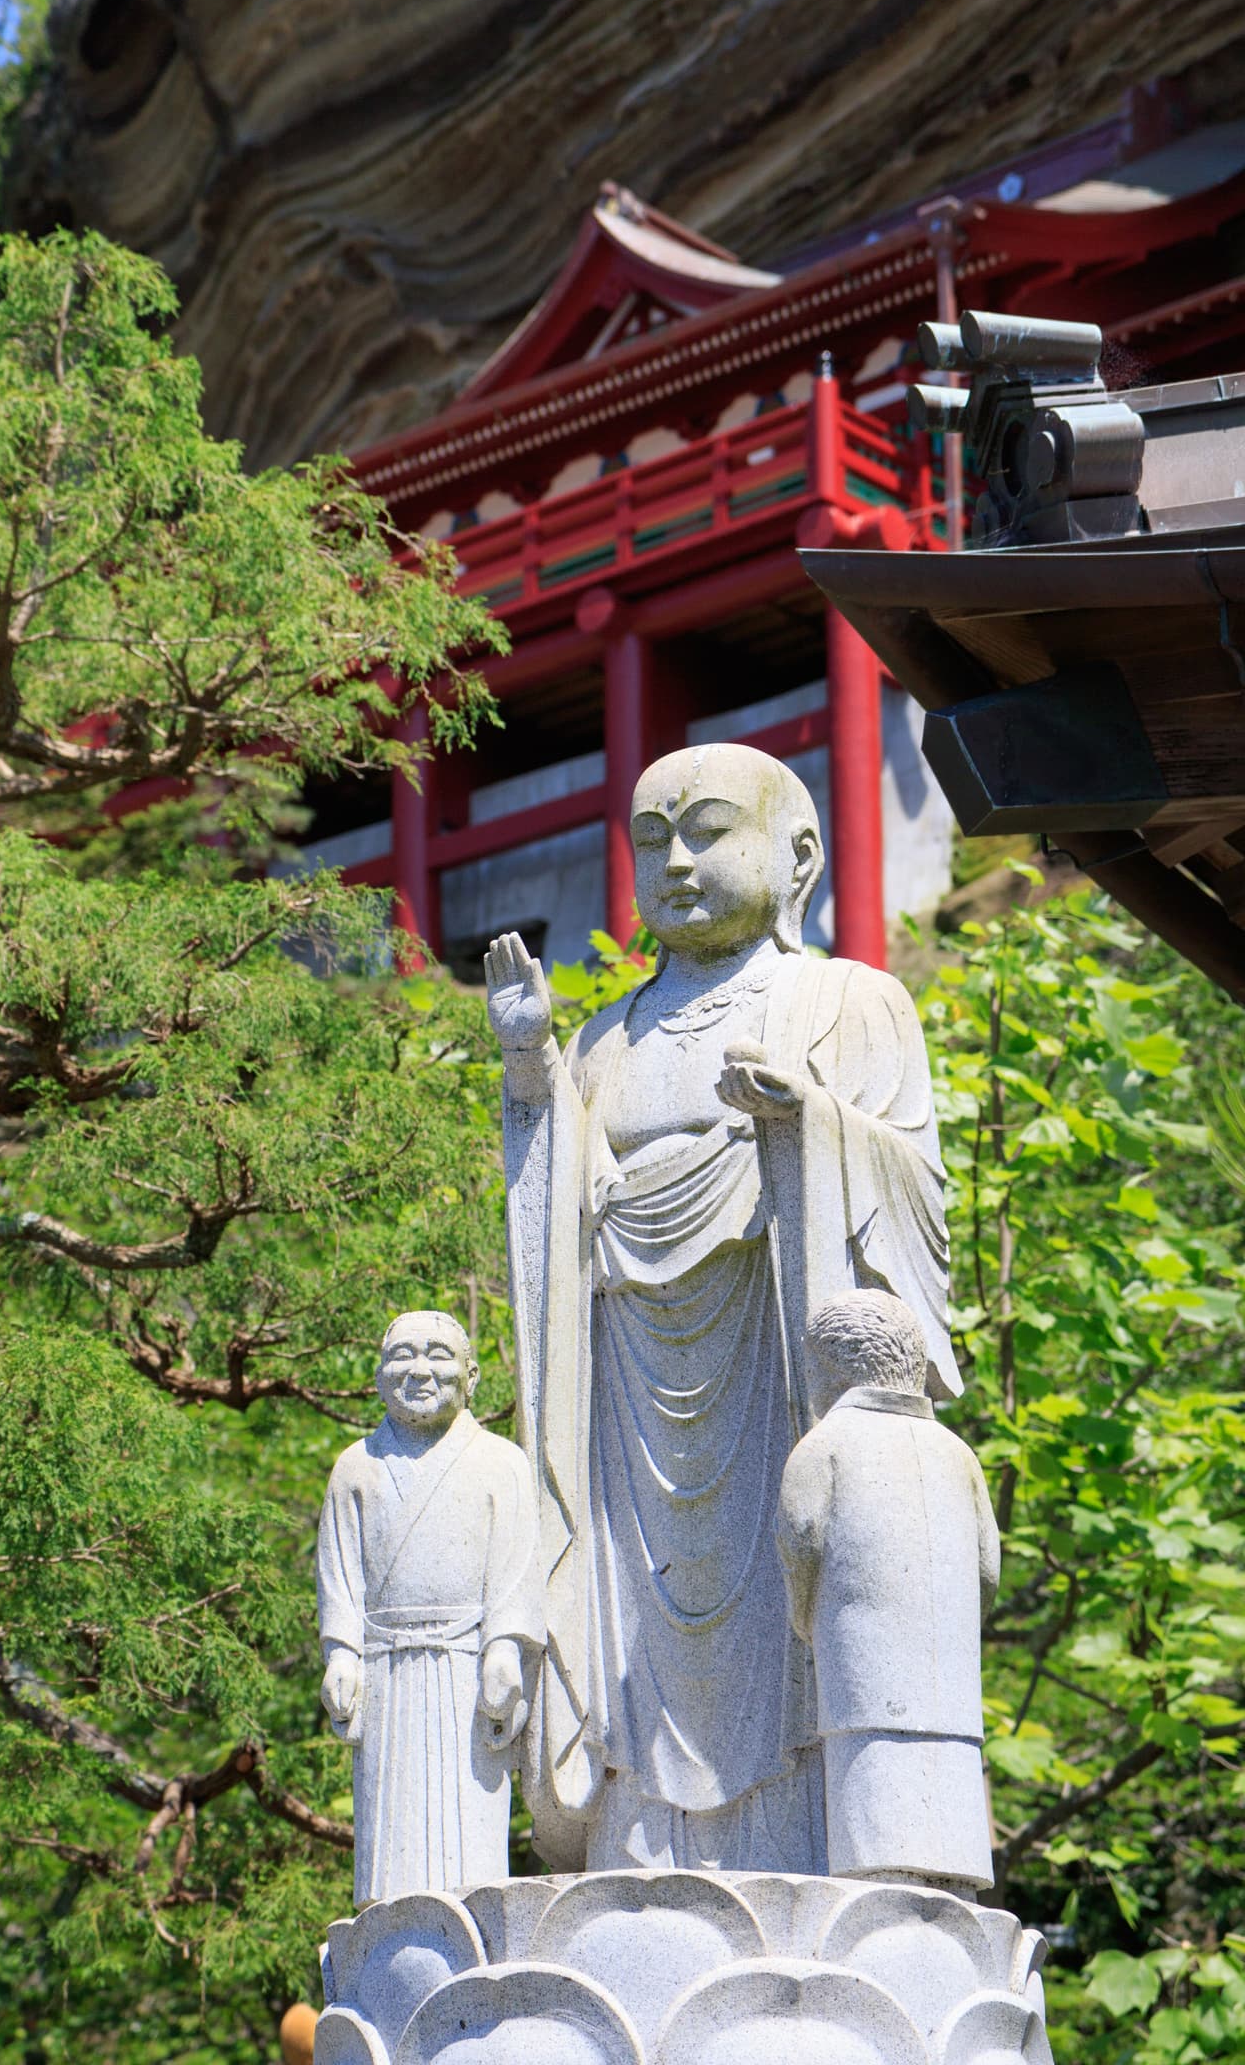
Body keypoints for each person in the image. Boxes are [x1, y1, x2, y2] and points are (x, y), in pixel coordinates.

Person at [486, 744, 958, 1875]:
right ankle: (636, 1861)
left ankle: (803, 1853)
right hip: (627, 1413)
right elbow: (556, 1221)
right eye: (653, 841)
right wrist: (528, 1070)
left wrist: (810, 1127)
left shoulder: (852, 1002)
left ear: (798, 858)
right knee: (625, 1625)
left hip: (775, 1378)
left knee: (794, 1622)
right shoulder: (603, 1039)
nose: (678, 862)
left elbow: (917, 1196)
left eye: (707, 831)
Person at [317, 1310, 546, 1904]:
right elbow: (339, 1571)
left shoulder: (502, 1463)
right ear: (378, 1376)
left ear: (471, 1376)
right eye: (403, 1356)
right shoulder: (355, 1468)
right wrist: (341, 1653)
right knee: (386, 1847)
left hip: (464, 1668)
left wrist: (505, 1650)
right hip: (386, 1669)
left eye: (439, 1355)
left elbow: (516, 1567)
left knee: (470, 1842)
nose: (420, 1370)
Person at [776, 1291, 999, 1892]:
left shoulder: (823, 1447)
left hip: (863, 1684)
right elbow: (988, 1570)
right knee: (952, 1858)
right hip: (950, 1693)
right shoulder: (959, 1455)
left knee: (873, 1859)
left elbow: (800, 1547)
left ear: (829, 1367)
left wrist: (806, 1620)